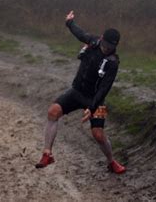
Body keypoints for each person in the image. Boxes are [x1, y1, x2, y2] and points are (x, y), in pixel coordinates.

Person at [35, 10, 126, 174]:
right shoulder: (93, 41)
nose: (106, 49)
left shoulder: (112, 63)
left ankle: (111, 162)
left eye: (110, 47)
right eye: (105, 45)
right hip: (76, 92)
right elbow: (80, 33)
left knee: (98, 135)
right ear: (101, 39)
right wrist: (69, 22)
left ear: (115, 47)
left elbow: (105, 88)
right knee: (52, 112)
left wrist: (92, 108)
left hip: (96, 100)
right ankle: (47, 154)